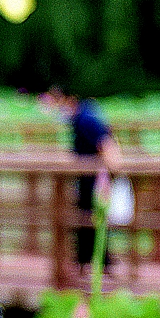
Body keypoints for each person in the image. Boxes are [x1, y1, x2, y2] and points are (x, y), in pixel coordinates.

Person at [54, 85, 122, 272]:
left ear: (70, 99)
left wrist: (114, 171)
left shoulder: (87, 119)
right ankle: (86, 261)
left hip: (94, 179)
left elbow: (105, 144)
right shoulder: (79, 118)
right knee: (85, 218)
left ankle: (100, 261)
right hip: (86, 178)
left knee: (93, 218)